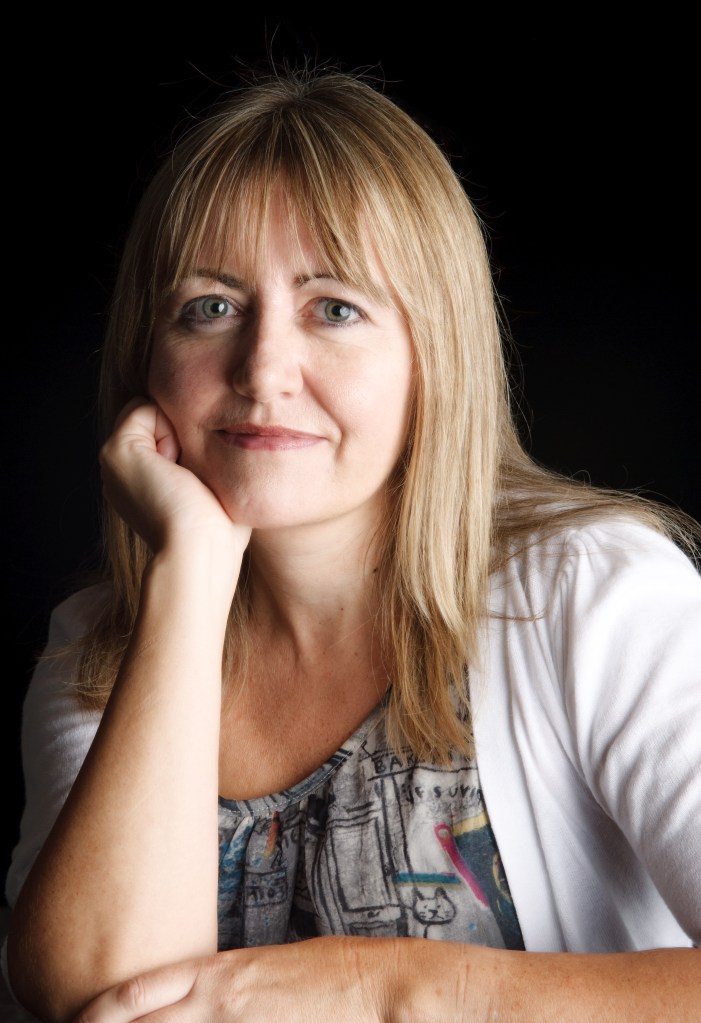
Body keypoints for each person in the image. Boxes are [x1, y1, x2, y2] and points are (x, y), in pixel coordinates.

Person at [3, 67, 700, 1022]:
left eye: (334, 308)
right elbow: (94, 997)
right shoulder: (101, 651)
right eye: (211, 306)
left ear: (432, 355)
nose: (262, 370)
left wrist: (395, 987)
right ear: (147, 355)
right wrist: (192, 573)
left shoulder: (594, 593)